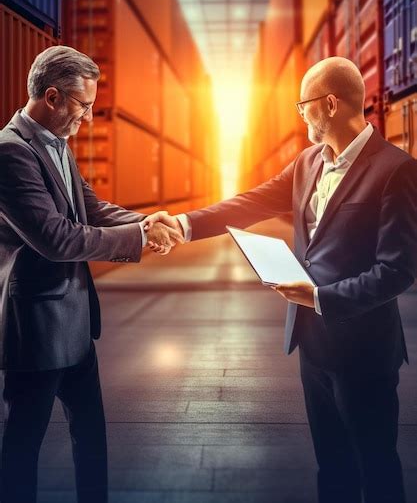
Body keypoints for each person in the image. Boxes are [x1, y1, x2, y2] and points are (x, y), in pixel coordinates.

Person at [144, 56, 417, 503]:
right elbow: (250, 203)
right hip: (313, 345)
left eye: (303, 104)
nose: (300, 113)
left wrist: (320, 296)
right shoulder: (308, 161)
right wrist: (182, 224)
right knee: (332, 467)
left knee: (376, 464)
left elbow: (398, 270)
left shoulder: (395, 170)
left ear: (329, 104)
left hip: (365, 350)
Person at [0, 45, 183, 503]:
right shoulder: (10, 153)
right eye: (84, 106)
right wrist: (139, 240)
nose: (89, 118)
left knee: (92, 440)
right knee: (23, 444)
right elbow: (57, 238)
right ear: (53, 97)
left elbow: (92, 209)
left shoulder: (57, 145)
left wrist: (144, 222)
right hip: (39, 329)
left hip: (76, 325)